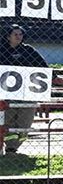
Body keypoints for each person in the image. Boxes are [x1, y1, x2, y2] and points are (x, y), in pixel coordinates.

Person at [1, 24, 48, 154]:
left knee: (25, 119)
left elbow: (43, 66)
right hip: (6, 93)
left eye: (20, 34)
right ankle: (8, 145)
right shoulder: (1, 51)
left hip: (27, 92)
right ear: (8, 36)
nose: (18, 37)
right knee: (7, 118)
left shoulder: (29, 51)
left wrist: (54, 77)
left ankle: (13, 147)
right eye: (15, 34)